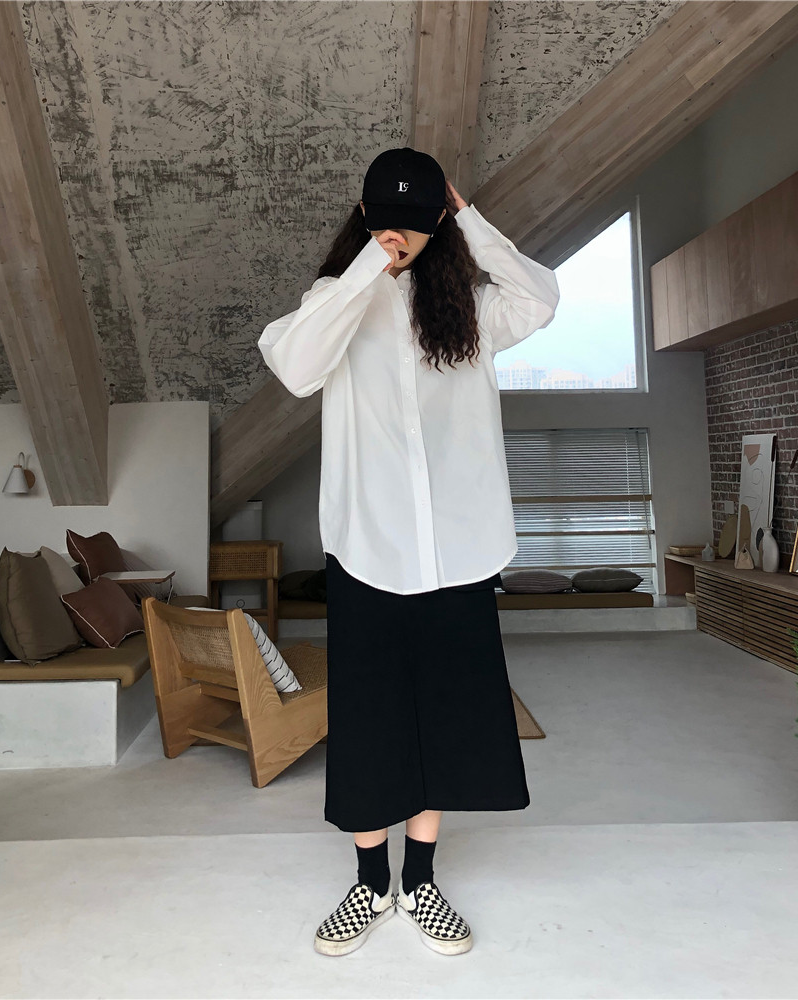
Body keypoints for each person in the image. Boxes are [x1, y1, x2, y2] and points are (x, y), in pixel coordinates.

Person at [257, 147, 560, 956]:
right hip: (368, 551)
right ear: (363, 216)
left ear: (438, 221)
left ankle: (420, 881)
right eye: (384, 221)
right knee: (369, 724)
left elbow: (540, 297)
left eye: (414, 223)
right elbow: (292, 366)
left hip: (460, 553)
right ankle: (370, 884)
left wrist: (469, 218)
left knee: (446, 722)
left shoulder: (469, 308)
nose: (398, 235)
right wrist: (369, 268)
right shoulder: (334, 301)